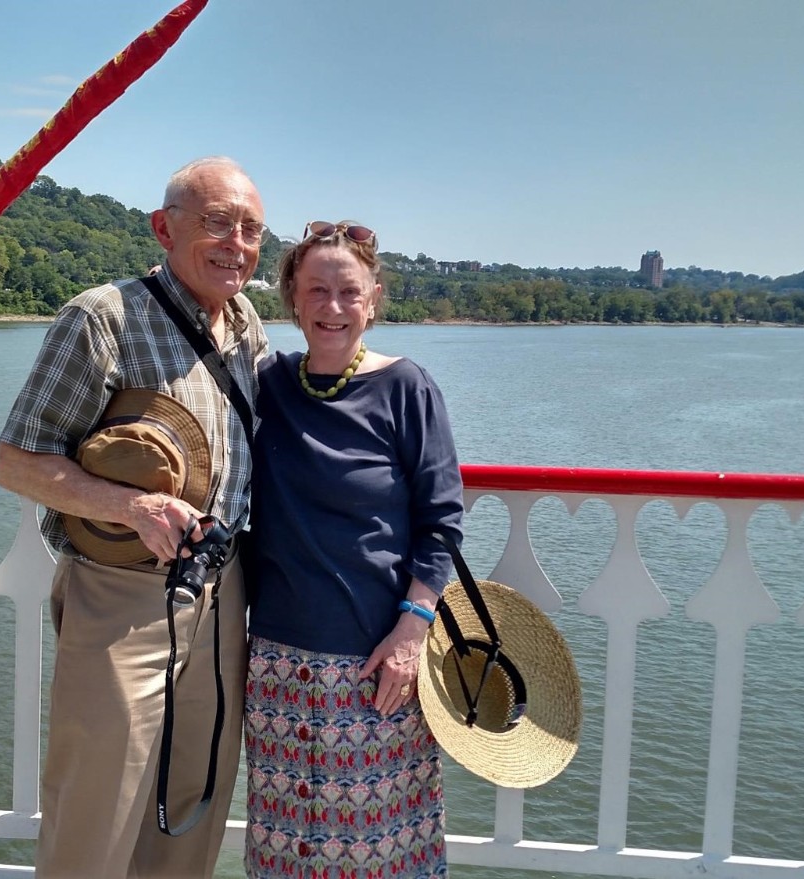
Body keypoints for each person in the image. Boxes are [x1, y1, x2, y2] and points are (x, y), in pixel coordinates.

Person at [0, 156, 269, 879]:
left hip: (222, 589)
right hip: (123, 597)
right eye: (215, 221)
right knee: (97, 811)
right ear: (164, 227)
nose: (234, 242)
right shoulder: (103, 317)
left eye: (250, 229)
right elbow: (18, 460)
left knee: (194, 804)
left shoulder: (245, 323)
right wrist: (131, 505)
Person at [243, 221, 464, 878]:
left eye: (348, 291)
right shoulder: (268, 383)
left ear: (372, 300)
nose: (332, 307)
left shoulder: (407, 387)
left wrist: (412, 630)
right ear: (293, 299)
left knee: (382, 849)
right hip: (278, 664)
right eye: (317, 290)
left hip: (378, 664)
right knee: (289, 849)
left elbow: (442, 521)